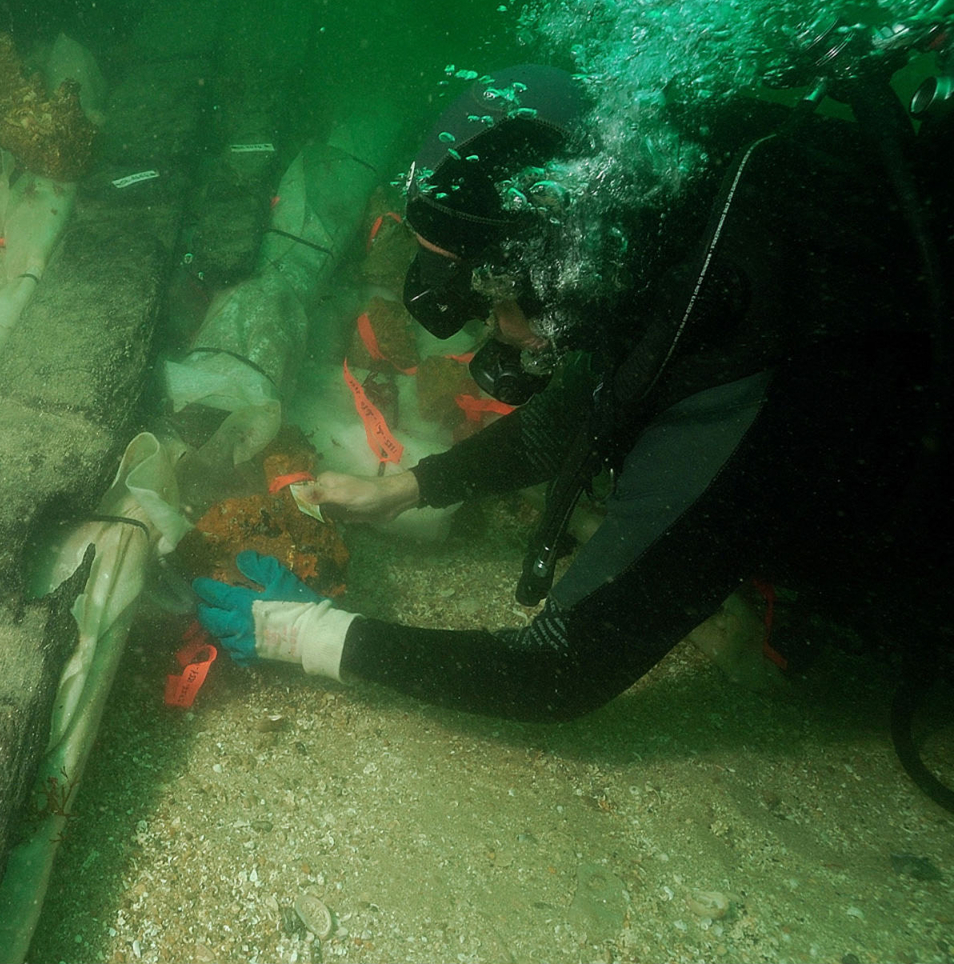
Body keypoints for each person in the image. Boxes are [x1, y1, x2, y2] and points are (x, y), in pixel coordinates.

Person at [193, 57, 951, 729]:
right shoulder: (673, 247)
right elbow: (564, 422)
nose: (492, 329)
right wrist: (406, 490)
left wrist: (309, 635)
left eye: (492, 294)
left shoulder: (744, 350)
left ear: (559, 261)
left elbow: (554, 675)